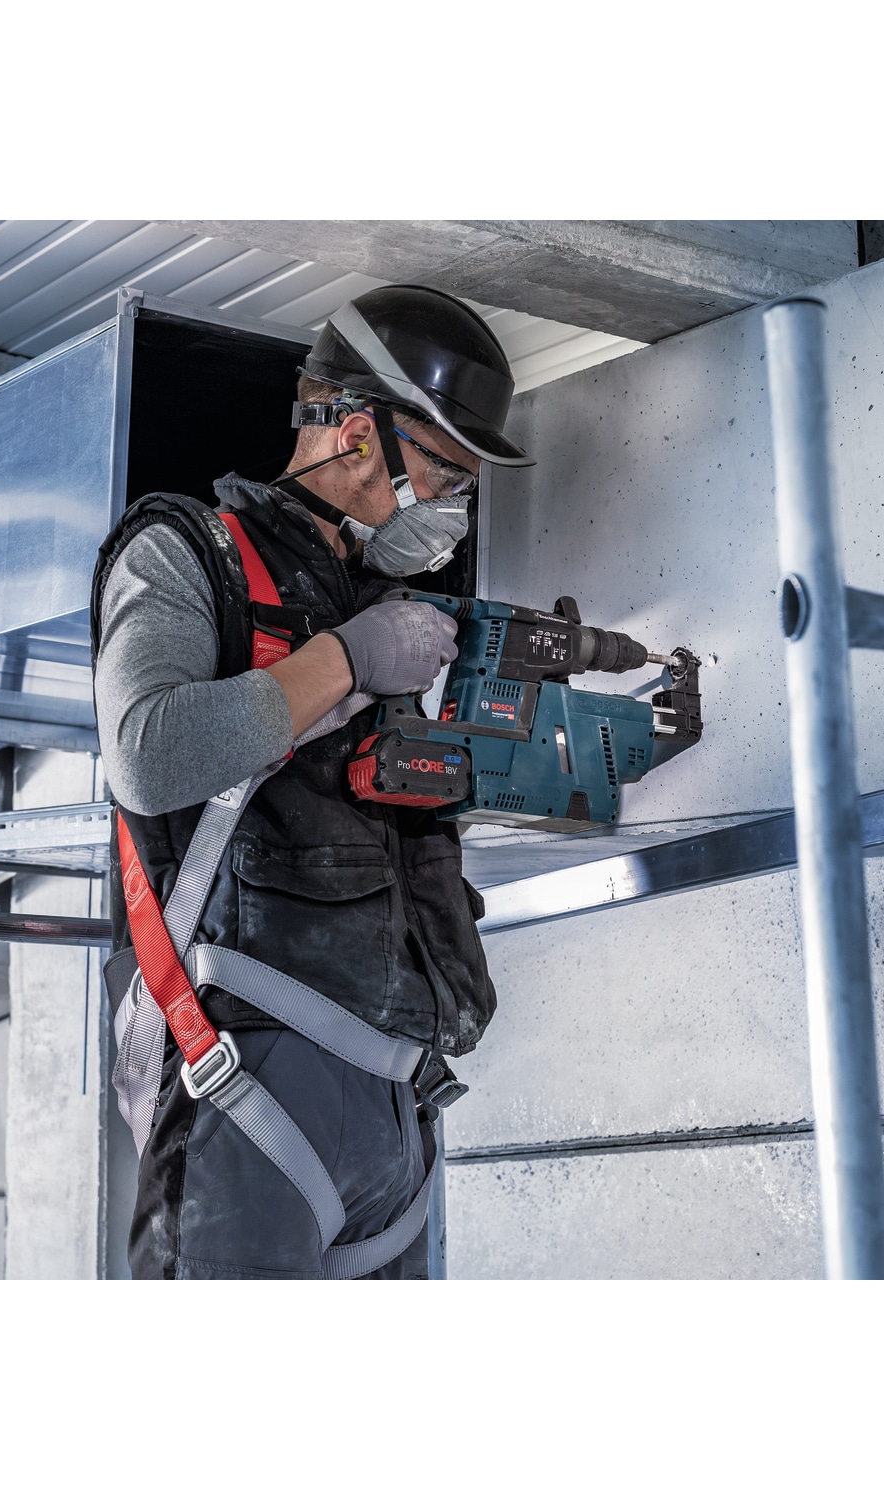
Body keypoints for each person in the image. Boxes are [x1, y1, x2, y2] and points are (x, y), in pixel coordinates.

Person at [91, 284, 533, 1278]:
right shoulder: (186, 555)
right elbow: (147, 755)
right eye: (444, 472)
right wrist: (346, 659)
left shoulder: (384, 607)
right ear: (356, 435)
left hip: (399, 1103)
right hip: (247, 1077)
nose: (455, 509)